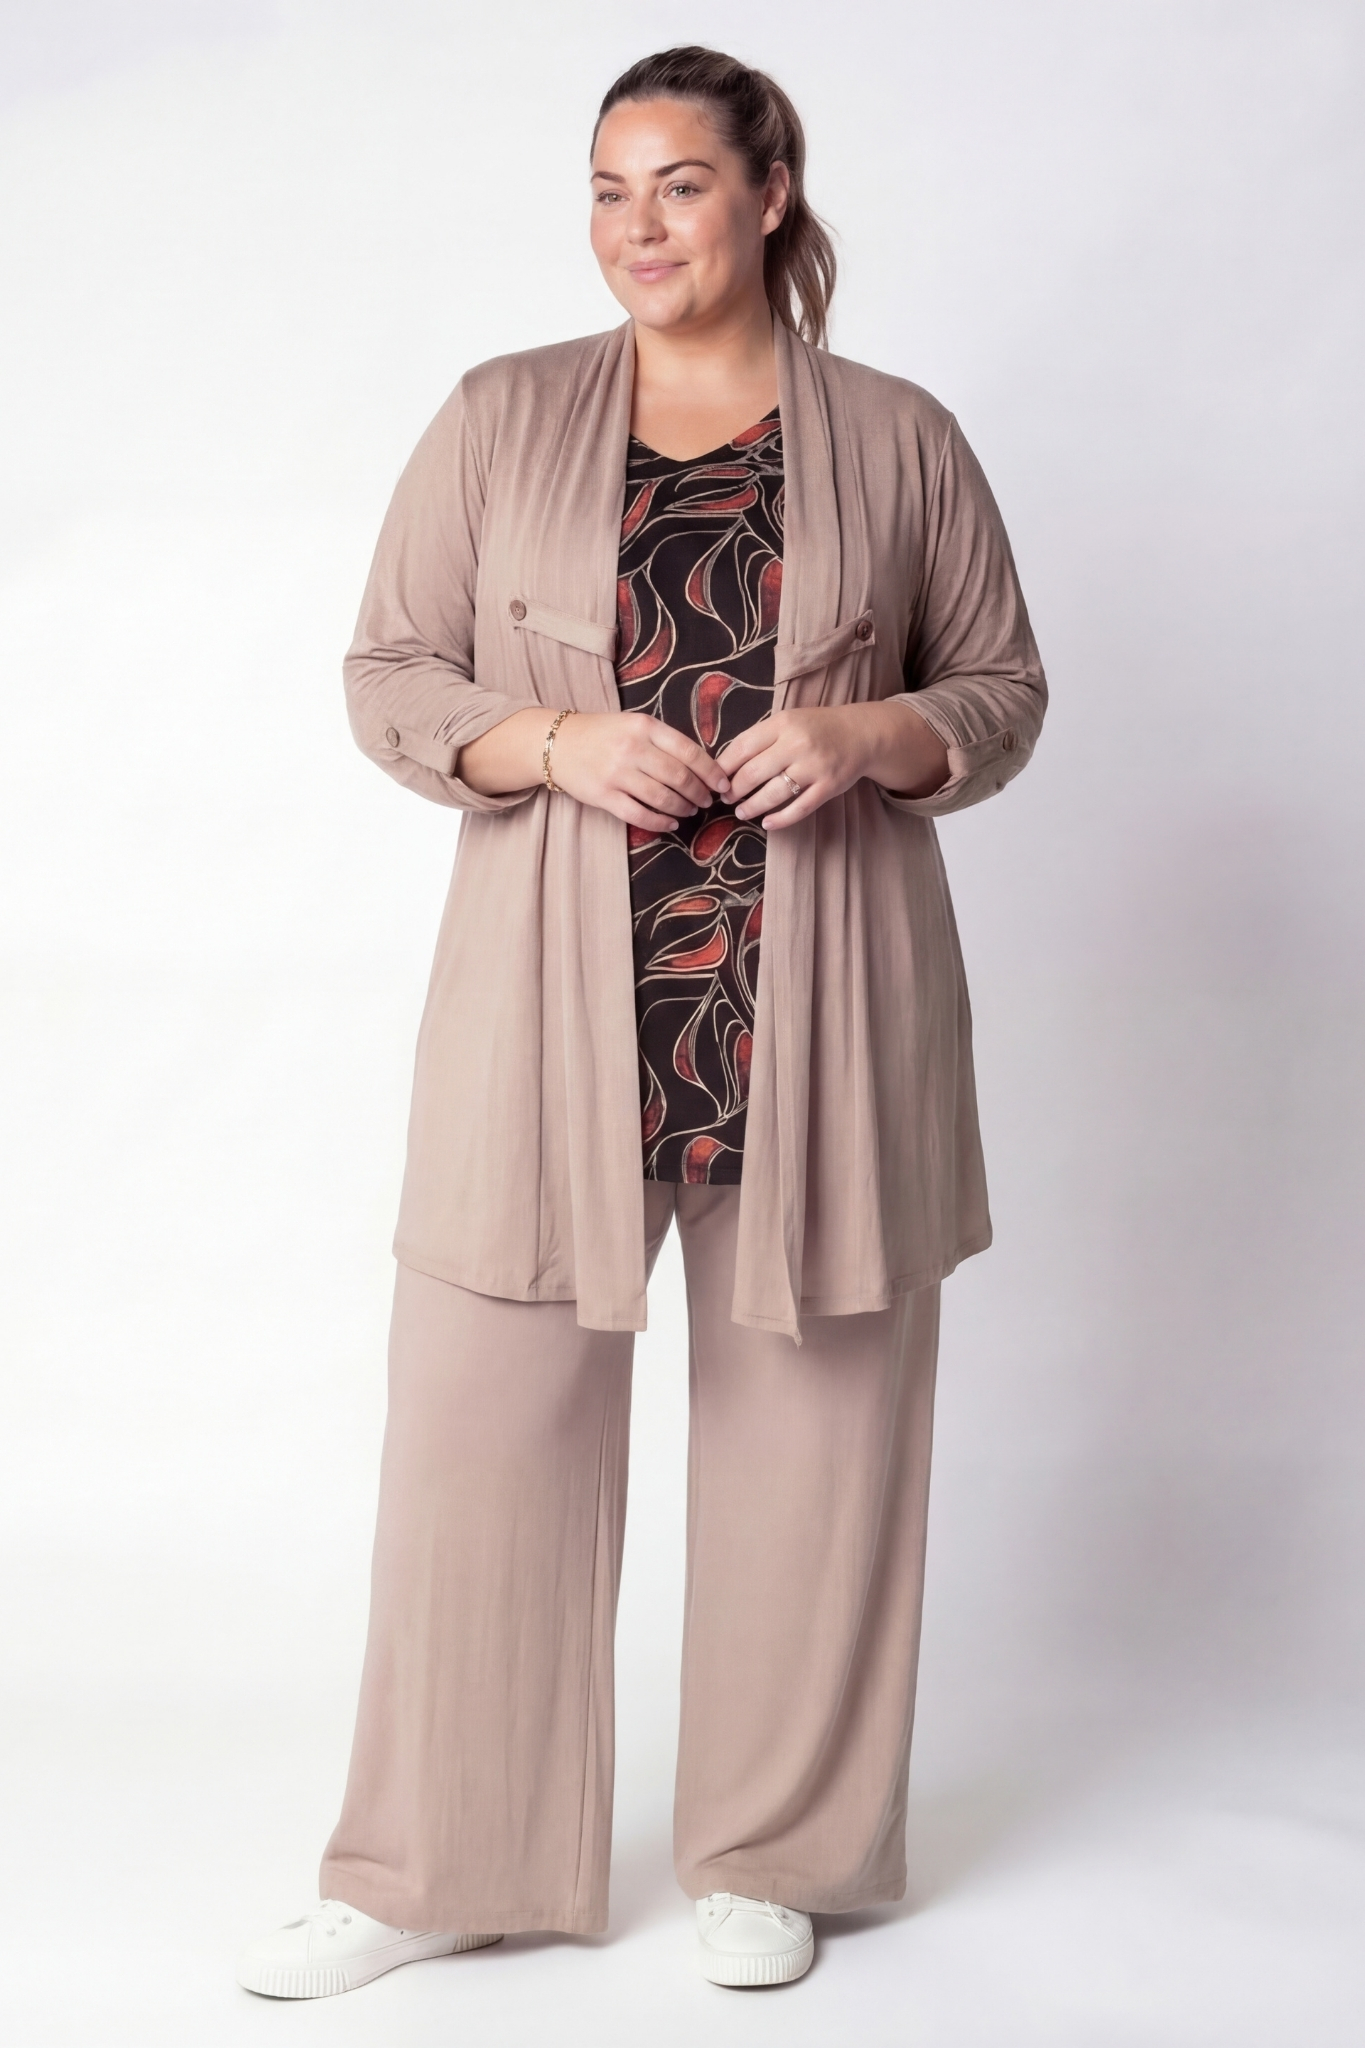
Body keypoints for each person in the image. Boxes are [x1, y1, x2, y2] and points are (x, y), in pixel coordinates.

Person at [236, 43, 1046, 1998]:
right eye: (607, 190)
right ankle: (439, 1860)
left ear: (768, 192)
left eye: (677, 183)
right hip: (548, 1014)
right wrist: (545, 740)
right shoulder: (499, 417)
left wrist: (870, 732)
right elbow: (389, 671)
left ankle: (775, 1849)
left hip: (818, 1015)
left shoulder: (901, 436)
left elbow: (1000, 689)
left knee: (814, 1450)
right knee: (476, 1436)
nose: (636, 226)